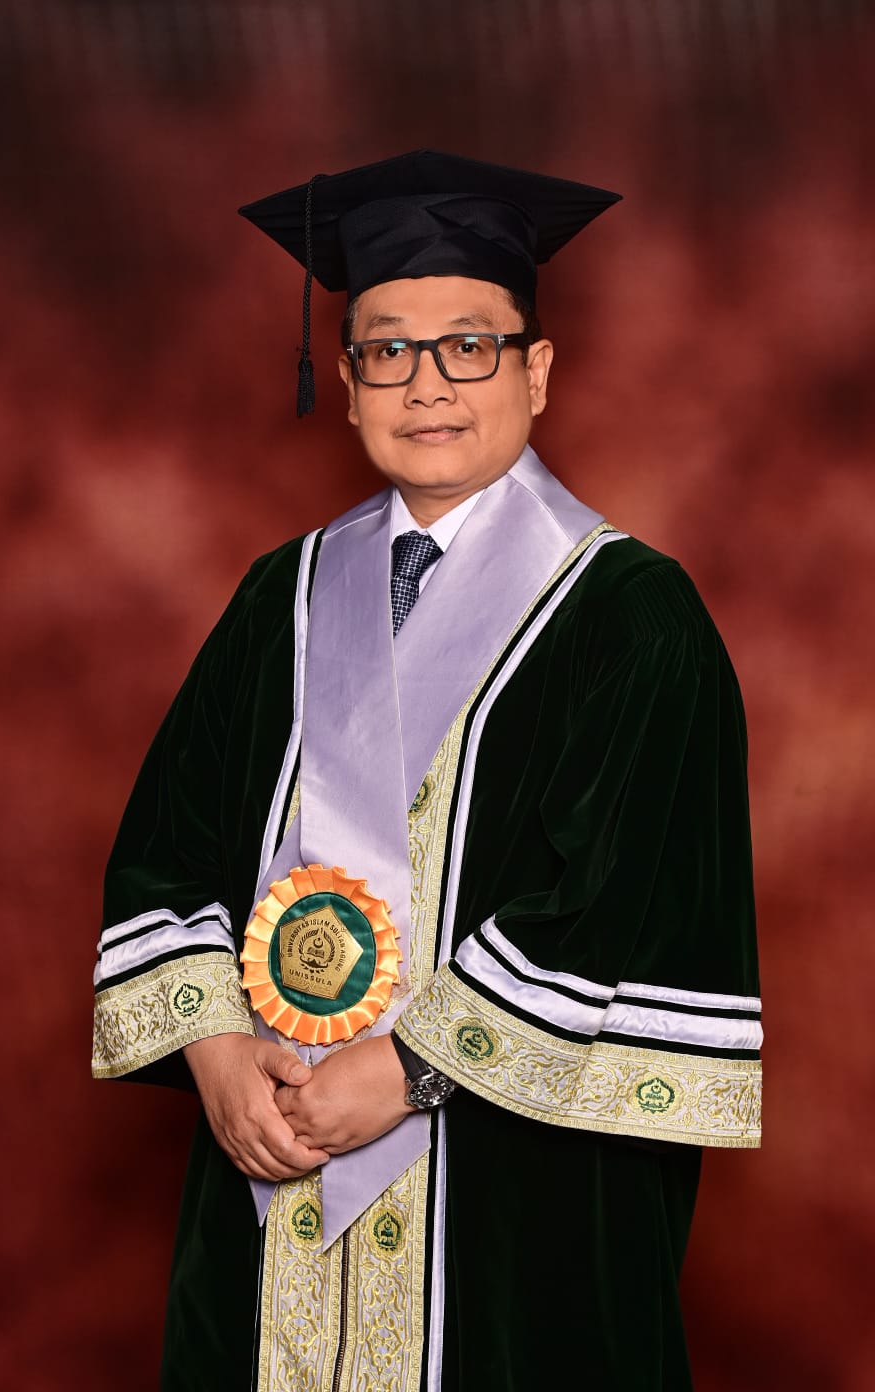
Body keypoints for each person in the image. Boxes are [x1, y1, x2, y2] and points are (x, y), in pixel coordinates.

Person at [93, 151, 762, 1391]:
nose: (428, 384)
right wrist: (216, 1052)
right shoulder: (280, 600)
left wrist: (408, 1070)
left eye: (468, 345)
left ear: (536, 371)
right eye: (388, 350)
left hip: (512, 1205)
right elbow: (166, 851)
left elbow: (630, 904)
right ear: (348, 384)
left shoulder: (631, 617)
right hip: (272, 1160)